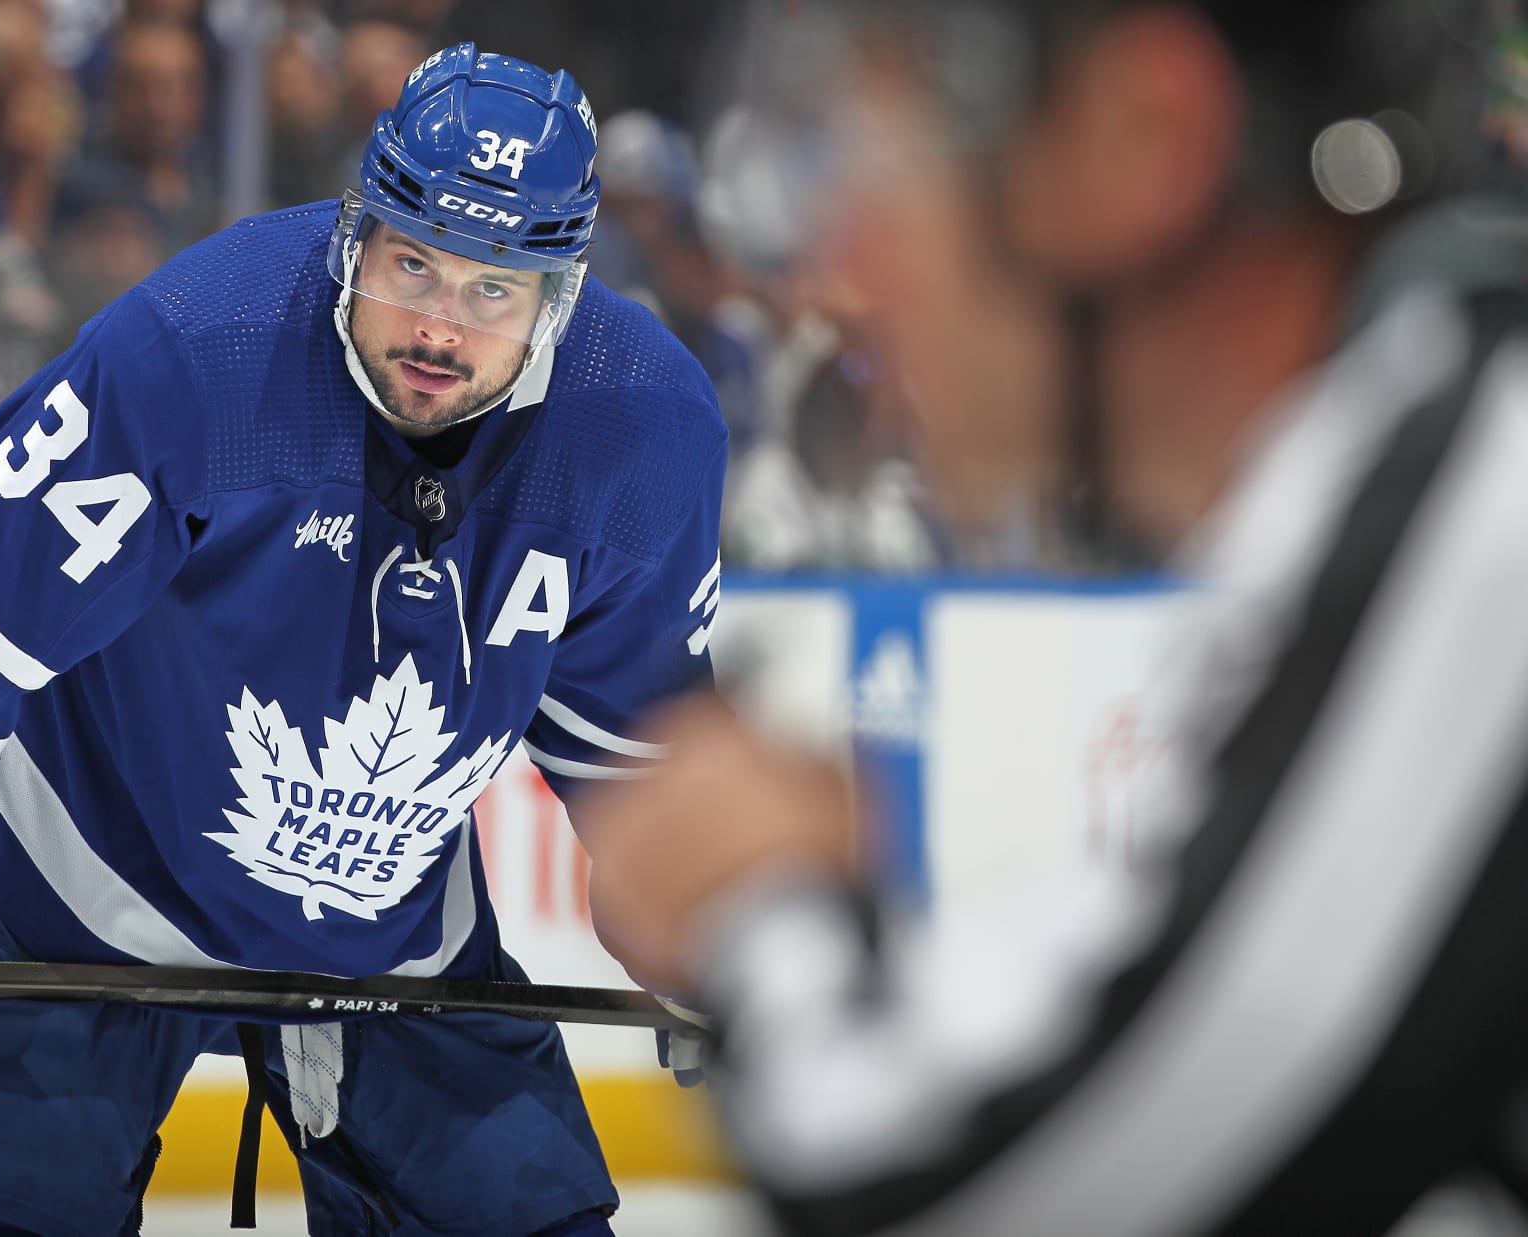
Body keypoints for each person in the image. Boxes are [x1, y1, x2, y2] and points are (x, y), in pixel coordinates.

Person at [0, 42, 726, 1237]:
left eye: (491, 290)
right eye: (412, 264)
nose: (438, 328)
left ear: (559, 300)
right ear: (354, 234)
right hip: (78, 889)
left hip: (395, 939)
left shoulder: (642, 435)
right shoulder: (200, 352)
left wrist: (722, 937)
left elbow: (647, 765)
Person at [584, 1, 1528, 1235]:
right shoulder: (1400, 471)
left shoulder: (1491, 467)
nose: (844, 267)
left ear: (1145, 133)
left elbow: (1006, 1175)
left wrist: (766, 905)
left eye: (886, 158)